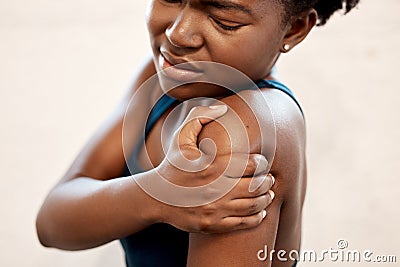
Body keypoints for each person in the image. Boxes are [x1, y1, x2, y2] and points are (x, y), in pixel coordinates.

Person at [36, 0, 359, 266]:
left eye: (224, 19)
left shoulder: (239, 128)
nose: (178, 34)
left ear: (294, 28)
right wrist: (156, 195)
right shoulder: (163, 78)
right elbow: (52, 223)